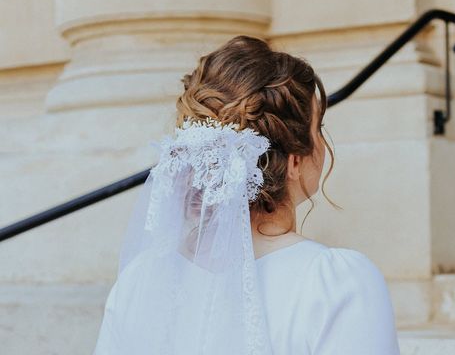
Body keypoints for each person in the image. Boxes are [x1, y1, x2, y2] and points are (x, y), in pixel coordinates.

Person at [93, 35, 401, 354]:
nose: (323, 143)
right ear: (295, 160)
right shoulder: (335, 283)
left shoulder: (139, 282)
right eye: (318, 127)